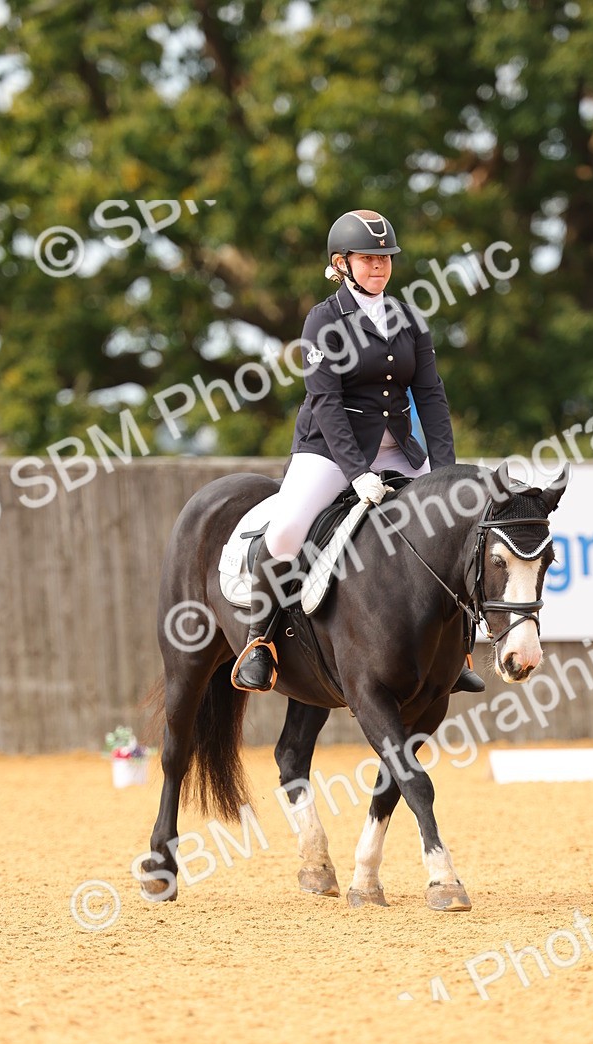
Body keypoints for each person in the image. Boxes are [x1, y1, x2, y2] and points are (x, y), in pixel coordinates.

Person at [231, 208, 485, 694]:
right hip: (329, 450)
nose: (379, 267)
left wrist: (445, 473)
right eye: (368, 259)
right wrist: (354, 471)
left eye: (385, 258)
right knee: (284, 531)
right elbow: (326, 401)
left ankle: (460, 649)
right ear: (341, 263)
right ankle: (259, 642)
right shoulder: (322, 320)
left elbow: (430, 396)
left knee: (454, 526)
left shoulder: (409, 319)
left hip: (398, 452)